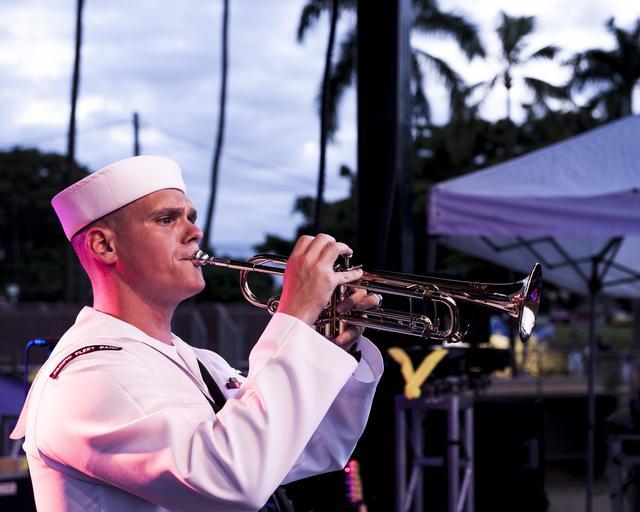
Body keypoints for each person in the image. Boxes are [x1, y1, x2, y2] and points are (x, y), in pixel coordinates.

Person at [11, 155, 383, 511]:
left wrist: (335, 347)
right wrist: (296, 319)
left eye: (191, 217)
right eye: (166, 219)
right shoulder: (86, 376)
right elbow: (234, 478)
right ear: (104, 245)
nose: (195, 232)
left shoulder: (203, 362)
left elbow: (312, 449)